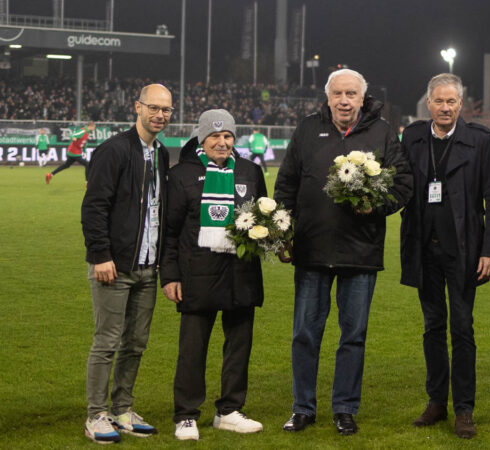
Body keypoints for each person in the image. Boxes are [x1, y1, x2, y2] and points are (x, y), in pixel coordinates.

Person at [274, 68, 412, 436]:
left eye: (351, 94)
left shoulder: (382, 132)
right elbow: (286, 182)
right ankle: (302, 408)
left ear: (362, 98)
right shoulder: (306, 128)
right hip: (311, 250)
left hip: (360, 252)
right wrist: (282, 233)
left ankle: (344, 409)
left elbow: (403, 185)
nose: (344, 100)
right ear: (328, 97)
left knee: (353, 337)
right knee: (305, 334)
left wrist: (376, 206)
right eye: (337, 94)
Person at [399, 73, 490, 439]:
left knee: (462, 328)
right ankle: (436, 402)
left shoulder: (480, 141)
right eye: (439, 102)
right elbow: (398, 188)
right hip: (423, 249)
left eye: (452, 102)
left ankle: (464, 409)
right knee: (432, 327)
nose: (446, 108)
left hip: (464, 251)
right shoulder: (411, 137)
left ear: (463, 105)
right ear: (428, 104)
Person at [160, 109, 267, 441]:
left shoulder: (251, 170)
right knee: (193, 348)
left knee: (239, 345)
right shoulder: (181, 175)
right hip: (197, 273)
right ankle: (186, 415)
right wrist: (170, 275)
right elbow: (170, 230)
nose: (222, 142)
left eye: (227, 136)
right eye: (214, 137)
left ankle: (229, 410)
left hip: (241, 272)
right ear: (201, 140)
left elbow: (263, 215)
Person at [80, 84, 172, 444]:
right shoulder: (113, 150)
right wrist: (100, 255)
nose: (160, 115)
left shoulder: (162, 154)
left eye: (166, 109)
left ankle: (122, 409)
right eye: (154, 108)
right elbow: (94, 207)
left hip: (147, 266)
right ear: (137, 107)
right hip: (114, 265)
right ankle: (95, 414)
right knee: (107, 341)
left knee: (136, 343)